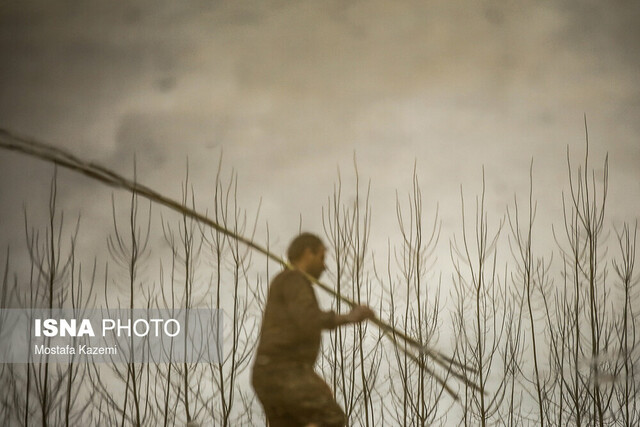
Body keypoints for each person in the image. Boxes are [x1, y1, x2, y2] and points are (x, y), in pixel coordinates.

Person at [252, 232, 375, 427]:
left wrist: (309, 376)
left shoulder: (284, 281)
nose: (324, 265)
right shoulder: (293, 279)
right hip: (283, 371)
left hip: (267, 374)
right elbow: (308, 319)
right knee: (331, 418)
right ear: (308, 253)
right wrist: (349, 317)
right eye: (321, 257)